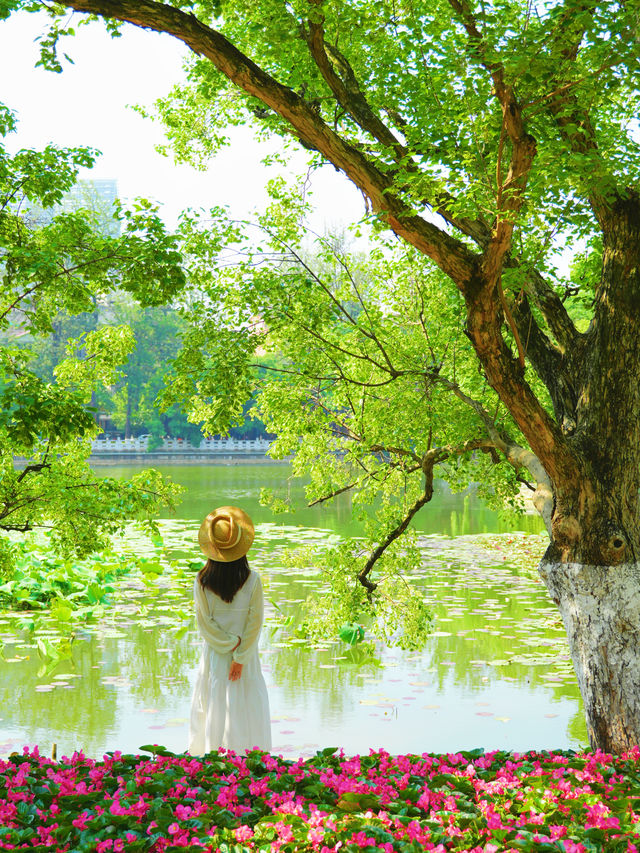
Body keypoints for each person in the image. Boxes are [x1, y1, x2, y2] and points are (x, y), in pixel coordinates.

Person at [188, 505, 271, 755]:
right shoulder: (252, 579)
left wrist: (228, 646)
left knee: (215, 702)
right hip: (245, 657)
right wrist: (241, 655)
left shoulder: (202, 581)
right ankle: (251, 762)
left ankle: (211, 759)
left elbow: (204, 623)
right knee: (244, 705)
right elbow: (255, 622)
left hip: (215, 655)